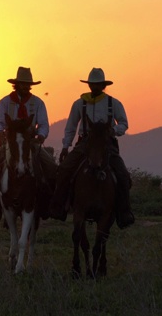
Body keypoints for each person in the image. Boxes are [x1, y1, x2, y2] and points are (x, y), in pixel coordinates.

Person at [49, 67, 135, 229]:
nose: (94, 87)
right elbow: (71, 127)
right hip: (84, 144)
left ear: (103, 85)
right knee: (64, 169)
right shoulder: (79, 104)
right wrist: (66, 147)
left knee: (122, 174)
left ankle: (124, 212)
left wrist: (114, 130)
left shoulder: (113, 103)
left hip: (106, 144)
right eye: (92, 84)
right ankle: (59, 206)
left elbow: (124, 123)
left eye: (97, 84)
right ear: (89, 85)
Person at [0, 66, 57, 222]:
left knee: (50, 165)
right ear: (16, 84)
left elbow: (44, 124)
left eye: (27, 84)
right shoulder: (4, 102)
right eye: (22, 83)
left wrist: (41, 136)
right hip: (10, 144)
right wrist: (0, 133)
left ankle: (48, 202)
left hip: (31, 143)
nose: (25, 86)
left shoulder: (38, 103)